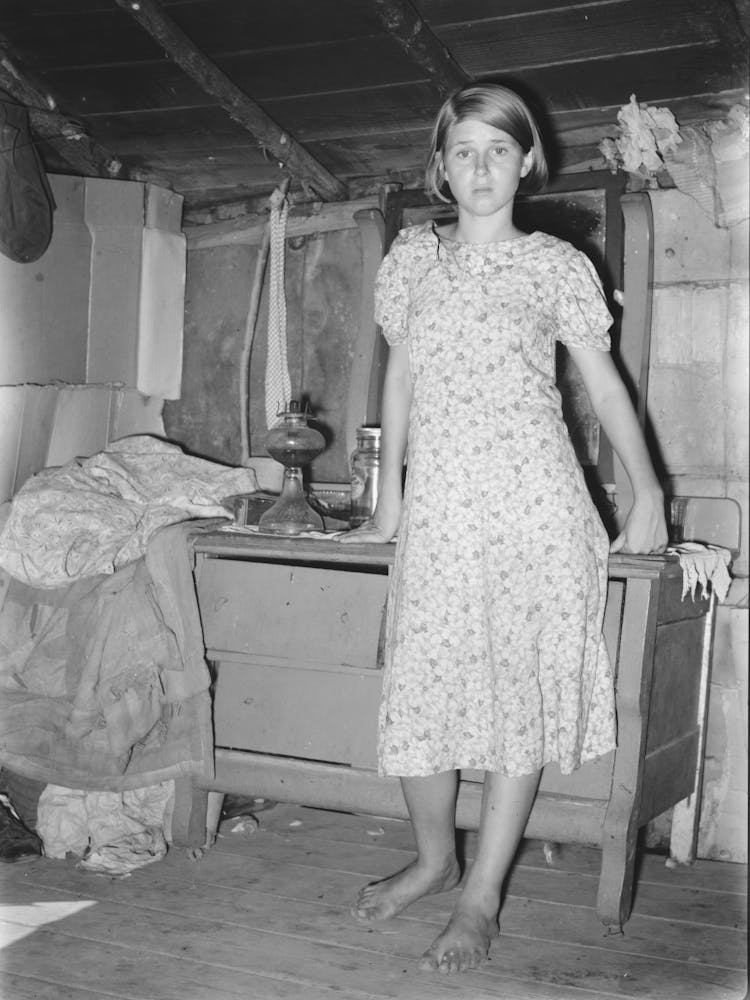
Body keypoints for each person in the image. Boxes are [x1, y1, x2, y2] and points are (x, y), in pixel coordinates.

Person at [339, 82, 668, 974]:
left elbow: (605, 389)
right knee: (424, 688)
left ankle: (481, 897)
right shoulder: (414, 257)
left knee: (512, 698)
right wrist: (390, 497)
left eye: (497, 149)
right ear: (440, 168)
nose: (480, 167)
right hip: (442, 510)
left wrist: (648, 495)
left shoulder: (558, 265)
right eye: (462, 151)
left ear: (528, 161)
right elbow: (399, 383)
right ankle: (436, 860)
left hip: (536, 510)